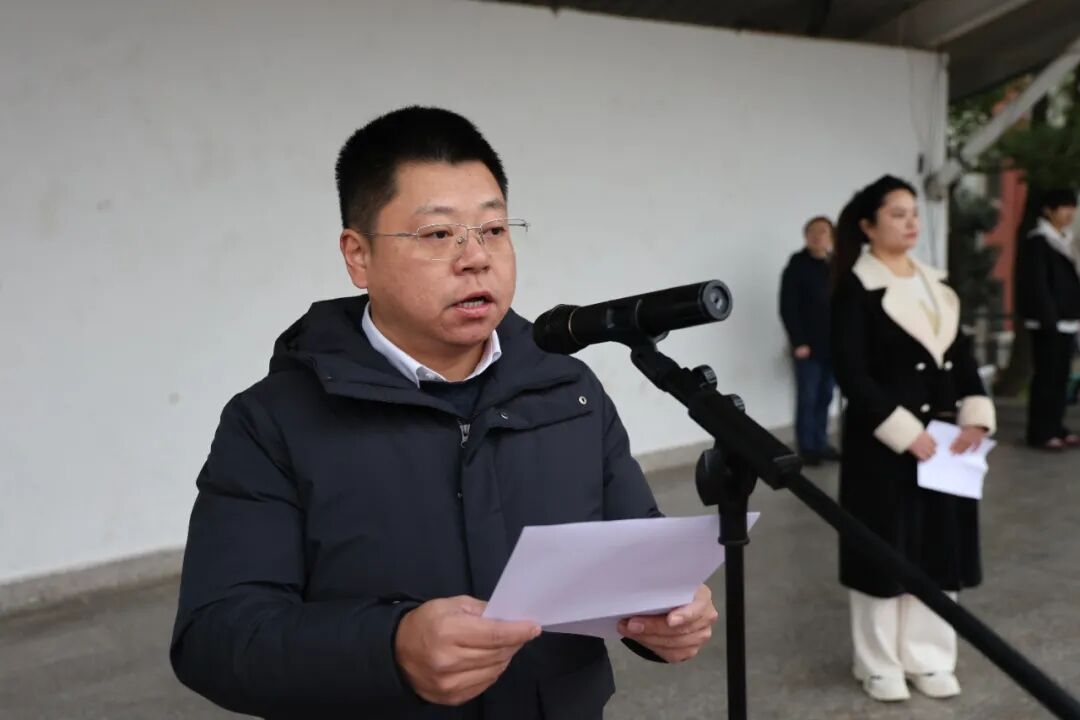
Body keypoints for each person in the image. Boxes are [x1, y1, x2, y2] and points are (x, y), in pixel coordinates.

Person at [169, 106, 718, 720]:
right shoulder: (272, 422)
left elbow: (635, 562)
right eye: (438, 235)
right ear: (358, 255)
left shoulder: (569, 389)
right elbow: (217, 636)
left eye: (494, 229)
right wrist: (390, 649)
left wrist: (667, 616)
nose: (476, 257)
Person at [830, 175, 996, 703]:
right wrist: (905, 432)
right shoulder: (856, 287)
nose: (911, 223)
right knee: (882, 548)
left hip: (945, 443)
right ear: (868, 225)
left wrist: (976, 417)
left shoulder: (936, 283)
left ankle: (929, 657)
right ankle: (878, 663)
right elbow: (852, 373)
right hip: (883, 444)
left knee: (939, 548)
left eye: (914, 213)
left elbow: (962, 359)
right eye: (897, 214)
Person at [1015, 188, 1080, 450]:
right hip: (1048, 322)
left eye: (1072, 207)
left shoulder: (1065, 240)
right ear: (1048, 210)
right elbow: (1037, 284)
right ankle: (1041, 431)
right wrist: (1048, 317)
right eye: (1064, 207)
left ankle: (1056, 426)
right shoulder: (1038, 241)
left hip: (1068, 320)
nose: (1070, 213)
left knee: (1061, 377)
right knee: (1046, 377)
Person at [779, 215, 840, 465]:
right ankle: (807, 448)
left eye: (823, 232)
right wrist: (798, 342)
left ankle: (821, 443)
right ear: (806, 236)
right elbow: (788, 307)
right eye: (813, 232)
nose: (818, 236)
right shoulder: (796, 267)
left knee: (825, 396)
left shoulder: (835, 266)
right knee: (808, 398)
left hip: (832, 346)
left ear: (831, 237)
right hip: (808, 348)